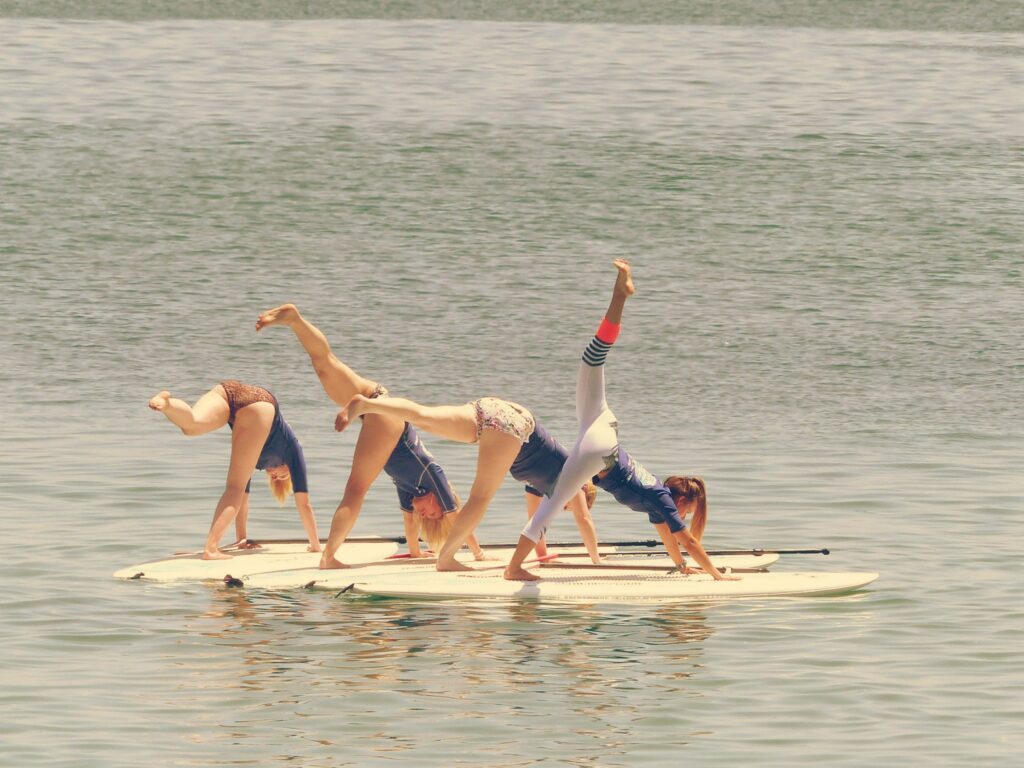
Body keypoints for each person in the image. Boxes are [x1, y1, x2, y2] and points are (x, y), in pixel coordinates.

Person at [503, 259, 740, 582]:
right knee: (549, 507)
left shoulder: (657, 500)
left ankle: (621, 295)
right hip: (600, 449)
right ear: (682, 499)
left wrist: (684, 566)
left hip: (602, 429)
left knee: (592, 360)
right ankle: (513, 569)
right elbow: (688, 539)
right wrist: (717, 575)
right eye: (688, 511)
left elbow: (672, 541)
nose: (683, 516)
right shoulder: (661, 498)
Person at [254, 304, 487, 567]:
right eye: (432, 515)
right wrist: (477, 553)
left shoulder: (410, 488)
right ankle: (328, 557)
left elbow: (410, 522)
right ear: (440, 502)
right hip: (384, 416)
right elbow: (458, 518)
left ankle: (294, 320)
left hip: (377, 404)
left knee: (325, 366)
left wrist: (415, 551)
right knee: (355, 490)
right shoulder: (433, 476)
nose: (424, 514)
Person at [336, 392, 603, 572]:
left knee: (423, 415)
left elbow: (536, 524)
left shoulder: (542, 485)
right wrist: (596, 561)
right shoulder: (572, 478)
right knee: (480, 498)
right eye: (569, 504)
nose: (565, 506)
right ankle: (446, 559)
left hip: (492, 409)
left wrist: (540, 557)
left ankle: (369, 404)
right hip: (512, 426)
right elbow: (585, 520)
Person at [148, 381, 320, 560]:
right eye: (283, 476)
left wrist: (242, 538)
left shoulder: (257, 460)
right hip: (263, 405)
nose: (275, 476)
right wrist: (315, 546)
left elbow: (243, 498)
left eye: (274, 479)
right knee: (234, 487)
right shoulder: (294, 449)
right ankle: (211, 548)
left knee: (191, 426)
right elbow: (304, 504)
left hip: (228, 392)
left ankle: (167, 403)